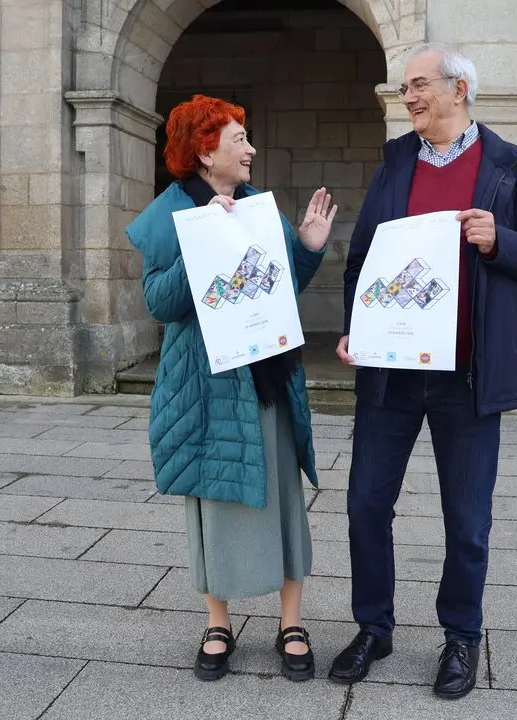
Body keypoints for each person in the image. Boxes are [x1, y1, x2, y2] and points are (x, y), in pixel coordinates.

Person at [329, 43, 517, 699]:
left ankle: (461, 637)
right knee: (365, 507)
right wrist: (358, 328)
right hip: (392, 376)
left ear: (459, 89)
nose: (407, 96)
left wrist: (500, 239)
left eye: (418, 84)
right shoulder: (394, 162)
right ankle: (373, 628)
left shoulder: (510, 167)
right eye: (405, 87)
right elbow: (364, 259)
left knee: (468, 523)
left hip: (468, 377)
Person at [125, 94, 337, 683]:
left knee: (284, 493)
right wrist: (202, 245)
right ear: (203, 149)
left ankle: (290, 622)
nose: (251, 148)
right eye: (239, 138)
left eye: (247, 137)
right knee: (214, 497)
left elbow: (280, 287)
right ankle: (217, 623)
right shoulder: (168, 216)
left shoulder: (257, 209)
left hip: (268, 371)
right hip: (206, 383)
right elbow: (160, 303)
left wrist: (309, 248)